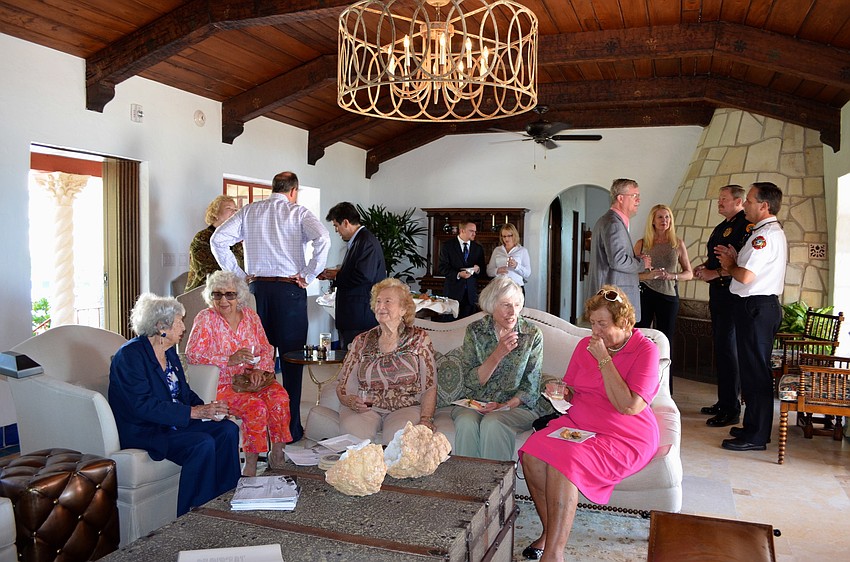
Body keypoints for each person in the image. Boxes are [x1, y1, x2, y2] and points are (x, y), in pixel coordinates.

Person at [518, 286, 660, 561]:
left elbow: (629, 406)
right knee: (532, 452)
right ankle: (549, 532)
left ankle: (554, 553)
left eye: (602, 324)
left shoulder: (646, 350)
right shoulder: (585, 345)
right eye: (592, 323)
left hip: (624, 433)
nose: (595, 331)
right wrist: (561, 392)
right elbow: (572, 390)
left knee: (564, 460)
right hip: (580, 425)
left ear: (624, 322)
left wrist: (604, 359)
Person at [211, 171, 330, 443]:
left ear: (273, 188)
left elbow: (217, 240)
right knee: (291, 362)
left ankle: (260, 427)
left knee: (256, 361)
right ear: (293, 191)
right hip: (289, 292)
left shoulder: (250, 211)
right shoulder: (298, 212)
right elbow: (323, 237)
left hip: (257, 292)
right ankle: (290, 429)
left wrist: (240, 276)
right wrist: (309, 274)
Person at [108, 293, 241, 517]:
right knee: (202, 443)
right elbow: (142, 405)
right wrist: (194, 412)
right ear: (161, 326)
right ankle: (194, 515)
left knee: (228, 429)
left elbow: (184, 393)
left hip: (174, 423)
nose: (183, 327)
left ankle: (227, 502)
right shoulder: (130, 356)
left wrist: (209, 411)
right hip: (147, 428)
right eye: (179, 321)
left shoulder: (168, 352)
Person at [185, 271, 292, 477]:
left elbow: (266, 348)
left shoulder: (251, 316)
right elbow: (193, 355)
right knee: (255, 407)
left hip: (252, 379)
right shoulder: (206, 319)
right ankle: (250, 465)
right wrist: (228, 359)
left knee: (280, 398)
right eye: (217, 294)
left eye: (230, 295)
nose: (223, 300)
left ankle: (277, 453)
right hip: (222, 383)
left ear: (239, 296)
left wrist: (260, 369)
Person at [715, 182, 787, 452]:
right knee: (751, 370)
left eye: (750, 200)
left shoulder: (764, 236)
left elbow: (745, 276)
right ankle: (752, 426)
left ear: (764, 206)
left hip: (757, 307)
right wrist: (735, 260)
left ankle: (756, 435)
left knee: (756, 372)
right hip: (756, 307)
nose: (745, 204)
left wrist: (730, 265)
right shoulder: (763, 232)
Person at [336, 278, 438, 444]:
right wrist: (351, 401)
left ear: (403, 309)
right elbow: (343, 384)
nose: (381, 306)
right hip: (367, 408)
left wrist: (426, 418)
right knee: (354, 438)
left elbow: (430, 385)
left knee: (399, 440)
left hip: (406, 408)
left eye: (388, 302)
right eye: (378, 301)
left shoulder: (419, 339)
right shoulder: (362, 341)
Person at [452, 276, 543, 461]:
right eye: (506, 305)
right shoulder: (475, 331)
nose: (513, 312)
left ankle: (494, 480)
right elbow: (470, 381)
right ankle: (465, 478)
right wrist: (497, 354)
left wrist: (504, 406)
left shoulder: (531, 334)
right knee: (466, 422)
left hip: (516, 406)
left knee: (493, 423)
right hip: (475, 402)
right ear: (492, 305)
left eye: (517, 305)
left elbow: (531, 388)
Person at [693, 185, 752, 427]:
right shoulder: (721, 227)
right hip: (717, 294)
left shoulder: (745, 226)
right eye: (719, 198)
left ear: (738, 201)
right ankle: (723, 401)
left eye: (724, 199)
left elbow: (741, 264)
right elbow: (716, 257)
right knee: (721, 349)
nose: (719, 202)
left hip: (731, 295)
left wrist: (714, 273)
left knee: (729, 350)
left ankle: (731, 409)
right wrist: (703, 268)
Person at [634, 204, 693, 391]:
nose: (664, 221)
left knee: (665, 341)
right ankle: (639, 383)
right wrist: (648, 276)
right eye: (660, 217)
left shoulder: (677, 243)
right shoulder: (642, 243)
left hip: (668, 297)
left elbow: (689, 273)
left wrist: (672, 276)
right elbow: (630, 274)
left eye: (667, 217)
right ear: (652, 220)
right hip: (644, 294)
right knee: (640, 337)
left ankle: (665, 389)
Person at [320, 202, 387, 349]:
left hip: (359, 316)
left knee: (356, 357)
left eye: (336, 225)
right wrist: (337, 272)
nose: (336, 230)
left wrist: (336, 277)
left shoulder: (366, 242)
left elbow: (363, 276)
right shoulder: (359, 240)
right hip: (353, 314)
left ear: (346, 222)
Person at [587, 178, 652, 322]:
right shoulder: (614, 224)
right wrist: (642, 263)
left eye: (638, 196)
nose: (638, 200)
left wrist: (636, 259)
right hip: (613, 301)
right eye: (634, 195)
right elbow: (618, 261)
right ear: (620, 198)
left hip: (610, 298)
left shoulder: (609, 221)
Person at [185, 195, 244, 292]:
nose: (234, 212)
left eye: (235, 209)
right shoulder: (201, 238)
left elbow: (242, 264)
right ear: (215, 213)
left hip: (233, 290)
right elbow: (208, 272)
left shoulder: (234, 239)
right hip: (203, 292)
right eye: (229, 208)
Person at [439, 218, 486, 319]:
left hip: (470, 294)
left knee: (468, 323)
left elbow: (483, 269)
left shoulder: (477, 248)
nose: (474, 234)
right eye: (471, 231)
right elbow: (442, 268)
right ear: (462, 230)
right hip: (452, 293)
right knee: (449, 323)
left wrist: (478, 269)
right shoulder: (448, 246)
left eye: (475, 231)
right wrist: (458, 274)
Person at [486, 223, 532, 293]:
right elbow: (489, 271)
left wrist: (516, 266)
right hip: (499, 288)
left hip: (516, 288)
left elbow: (527, 273)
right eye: (504, 236)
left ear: (514, 235)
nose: (506, 239)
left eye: (509, 236)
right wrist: (497, 270)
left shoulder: (522, 251)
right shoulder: (497, 250)